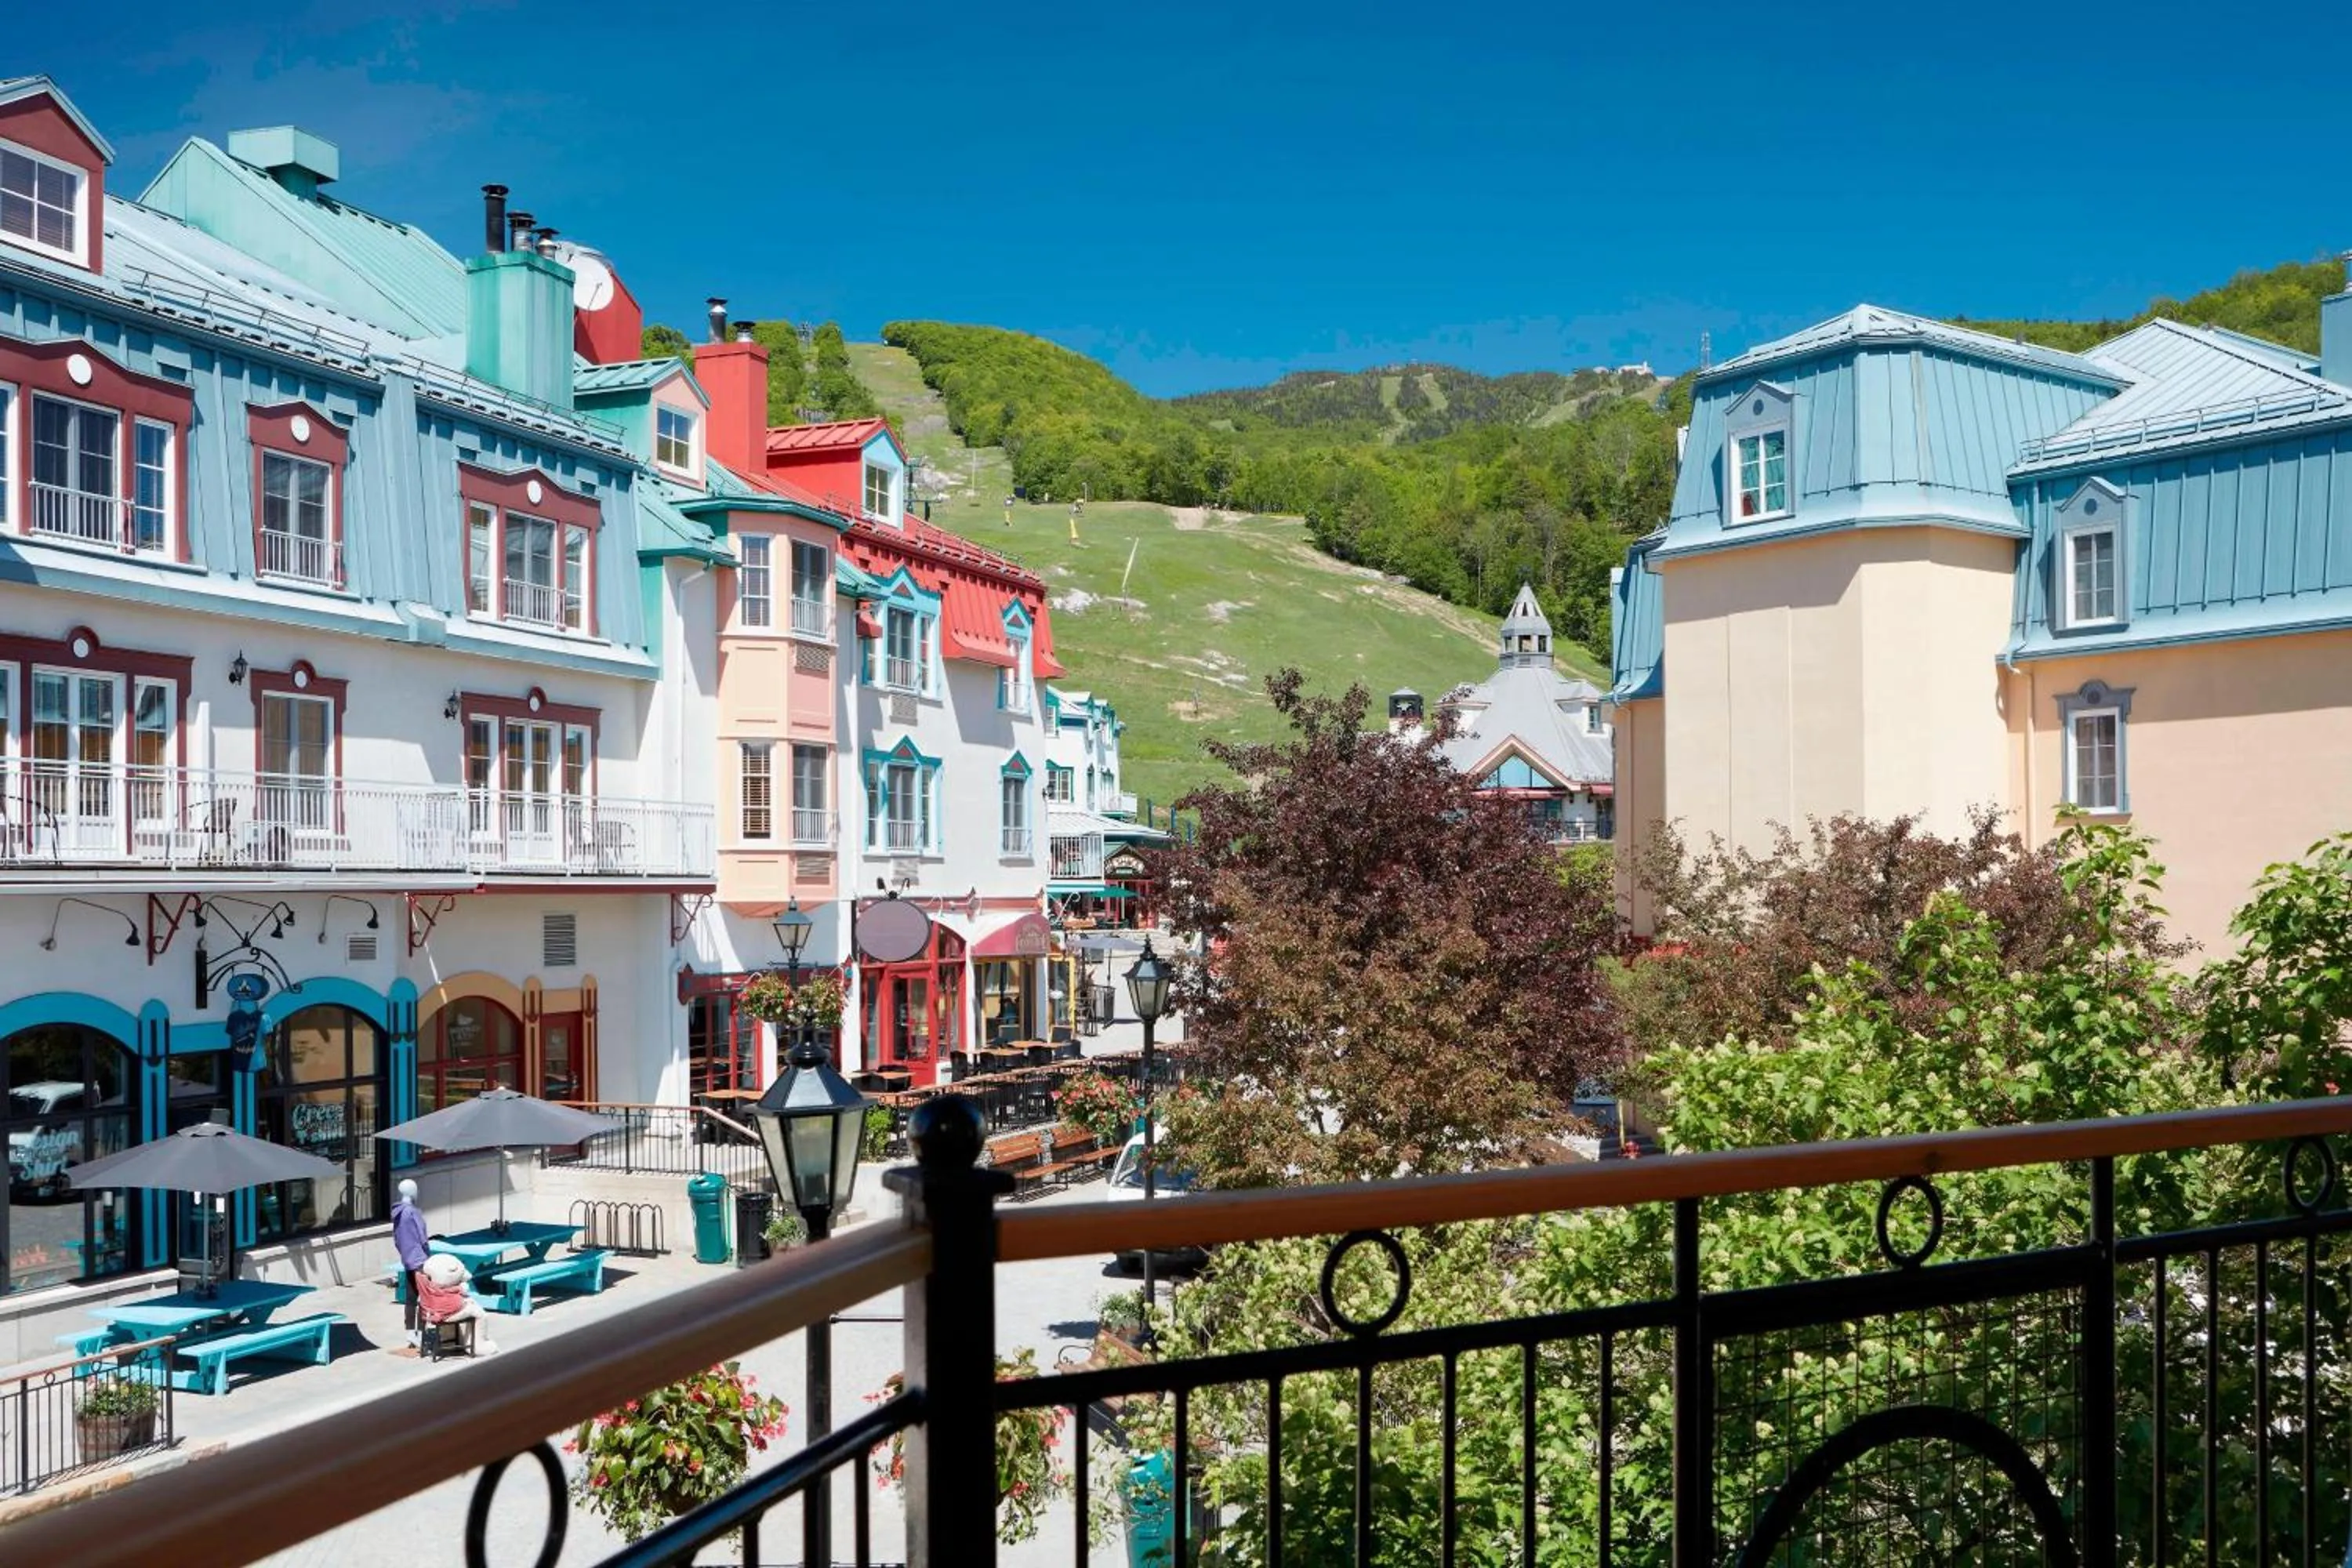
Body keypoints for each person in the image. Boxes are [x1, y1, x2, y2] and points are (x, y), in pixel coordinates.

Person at [412, 1252, 498, 1356]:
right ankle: (478, 1345)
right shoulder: (445, 1295)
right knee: (479, 1313)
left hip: (430, 1313)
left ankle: (448, 1339)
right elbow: (455, 1305)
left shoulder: (425, 1284)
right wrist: (462, 1294)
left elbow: (443, 1293)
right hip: (445, 1315)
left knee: (467, 1305)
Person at [391, 1178, 428, 1348]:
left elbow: (396, 1239)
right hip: (419, 1260)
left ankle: (410, 1333)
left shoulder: (397, 1214)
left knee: (410, 1297)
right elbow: (423, 1237)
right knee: (425, 1297)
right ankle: (421, 1333)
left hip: (407, 1259)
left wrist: (405, 1253)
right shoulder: (413, 1212)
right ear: (413, 1192)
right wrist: (427, 1255)